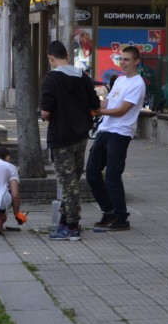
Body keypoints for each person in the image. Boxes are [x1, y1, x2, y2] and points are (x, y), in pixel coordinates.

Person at [40, 40, 100, 241]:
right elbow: (94, 104)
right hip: (81, 135)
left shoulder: (51, 79)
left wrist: (46, 114)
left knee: (68, 183)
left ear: (51, 58)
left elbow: (46, 112)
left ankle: (72, 225)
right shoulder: (82, 76)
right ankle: (65, 221)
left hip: (61, 137)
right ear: (67, 54)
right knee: (72, 179)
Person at [85, 45, 146, 231]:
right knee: (92, 173)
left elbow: (121, 110)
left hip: (120, 133)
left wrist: (97, 111)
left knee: (112, 175)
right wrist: (91, 101)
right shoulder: (119, 80)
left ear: (136, 61)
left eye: (127, 59)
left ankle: (121, 218)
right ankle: (109, 211)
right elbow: (109, 102)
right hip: (105, 129)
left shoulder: (138, 83)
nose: (123, 63)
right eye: (121, 59)